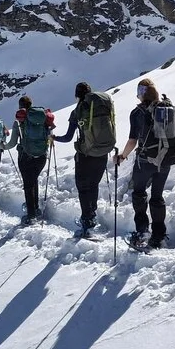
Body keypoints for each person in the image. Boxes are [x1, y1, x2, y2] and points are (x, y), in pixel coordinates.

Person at [115, 78, 175, 249]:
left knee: (139, 194)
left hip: (145, 161)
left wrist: (122, 156)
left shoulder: (137, 113)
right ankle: (158, 235)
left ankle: (142, 232)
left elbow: (132, 140)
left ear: (141, 93)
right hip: (165, 160)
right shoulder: (166, 108)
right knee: (157, 197)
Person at [54, 82, 116, 236]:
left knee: (83, 186)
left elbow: (68, 137)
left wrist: (54, 137)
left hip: (85, 154)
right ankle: (92, 215)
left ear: (77, 95)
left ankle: (86, 220)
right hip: (103, 151)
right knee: (94, 184)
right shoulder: (102, 106)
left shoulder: (78, 111)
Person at [4, 95, 55, 225]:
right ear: (31, 105)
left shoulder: (20, 121)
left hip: (25, 156)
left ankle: (31, 215)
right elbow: (49, 134)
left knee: (28, 184)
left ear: (20, 107)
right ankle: (36, 208)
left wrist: (1, 145)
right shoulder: (43, 118)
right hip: (42, 157)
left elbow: (12, 144)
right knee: (34, 180)